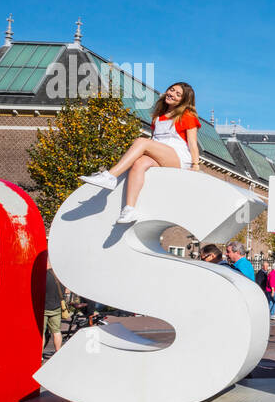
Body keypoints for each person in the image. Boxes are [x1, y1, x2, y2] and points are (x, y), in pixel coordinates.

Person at [80, 82, 202, 224]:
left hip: (178, 157)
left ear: (183, 100)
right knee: (139, 163)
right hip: (160, 153)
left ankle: (110, 176)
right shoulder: (158, 116)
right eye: (171, 90)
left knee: (141, 141)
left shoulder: (186, 115)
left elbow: (193, 143)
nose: (172, 94)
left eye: (178, 94)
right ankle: (129, 209)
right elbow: (155, 139)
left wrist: (195, 165)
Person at [42, 255, 64, 355]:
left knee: (41, 333)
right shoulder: (59, 277)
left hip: (44, 308)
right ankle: (58, 352)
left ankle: (39, 354)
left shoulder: (44, 276)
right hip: (57, 308)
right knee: (56, 331)